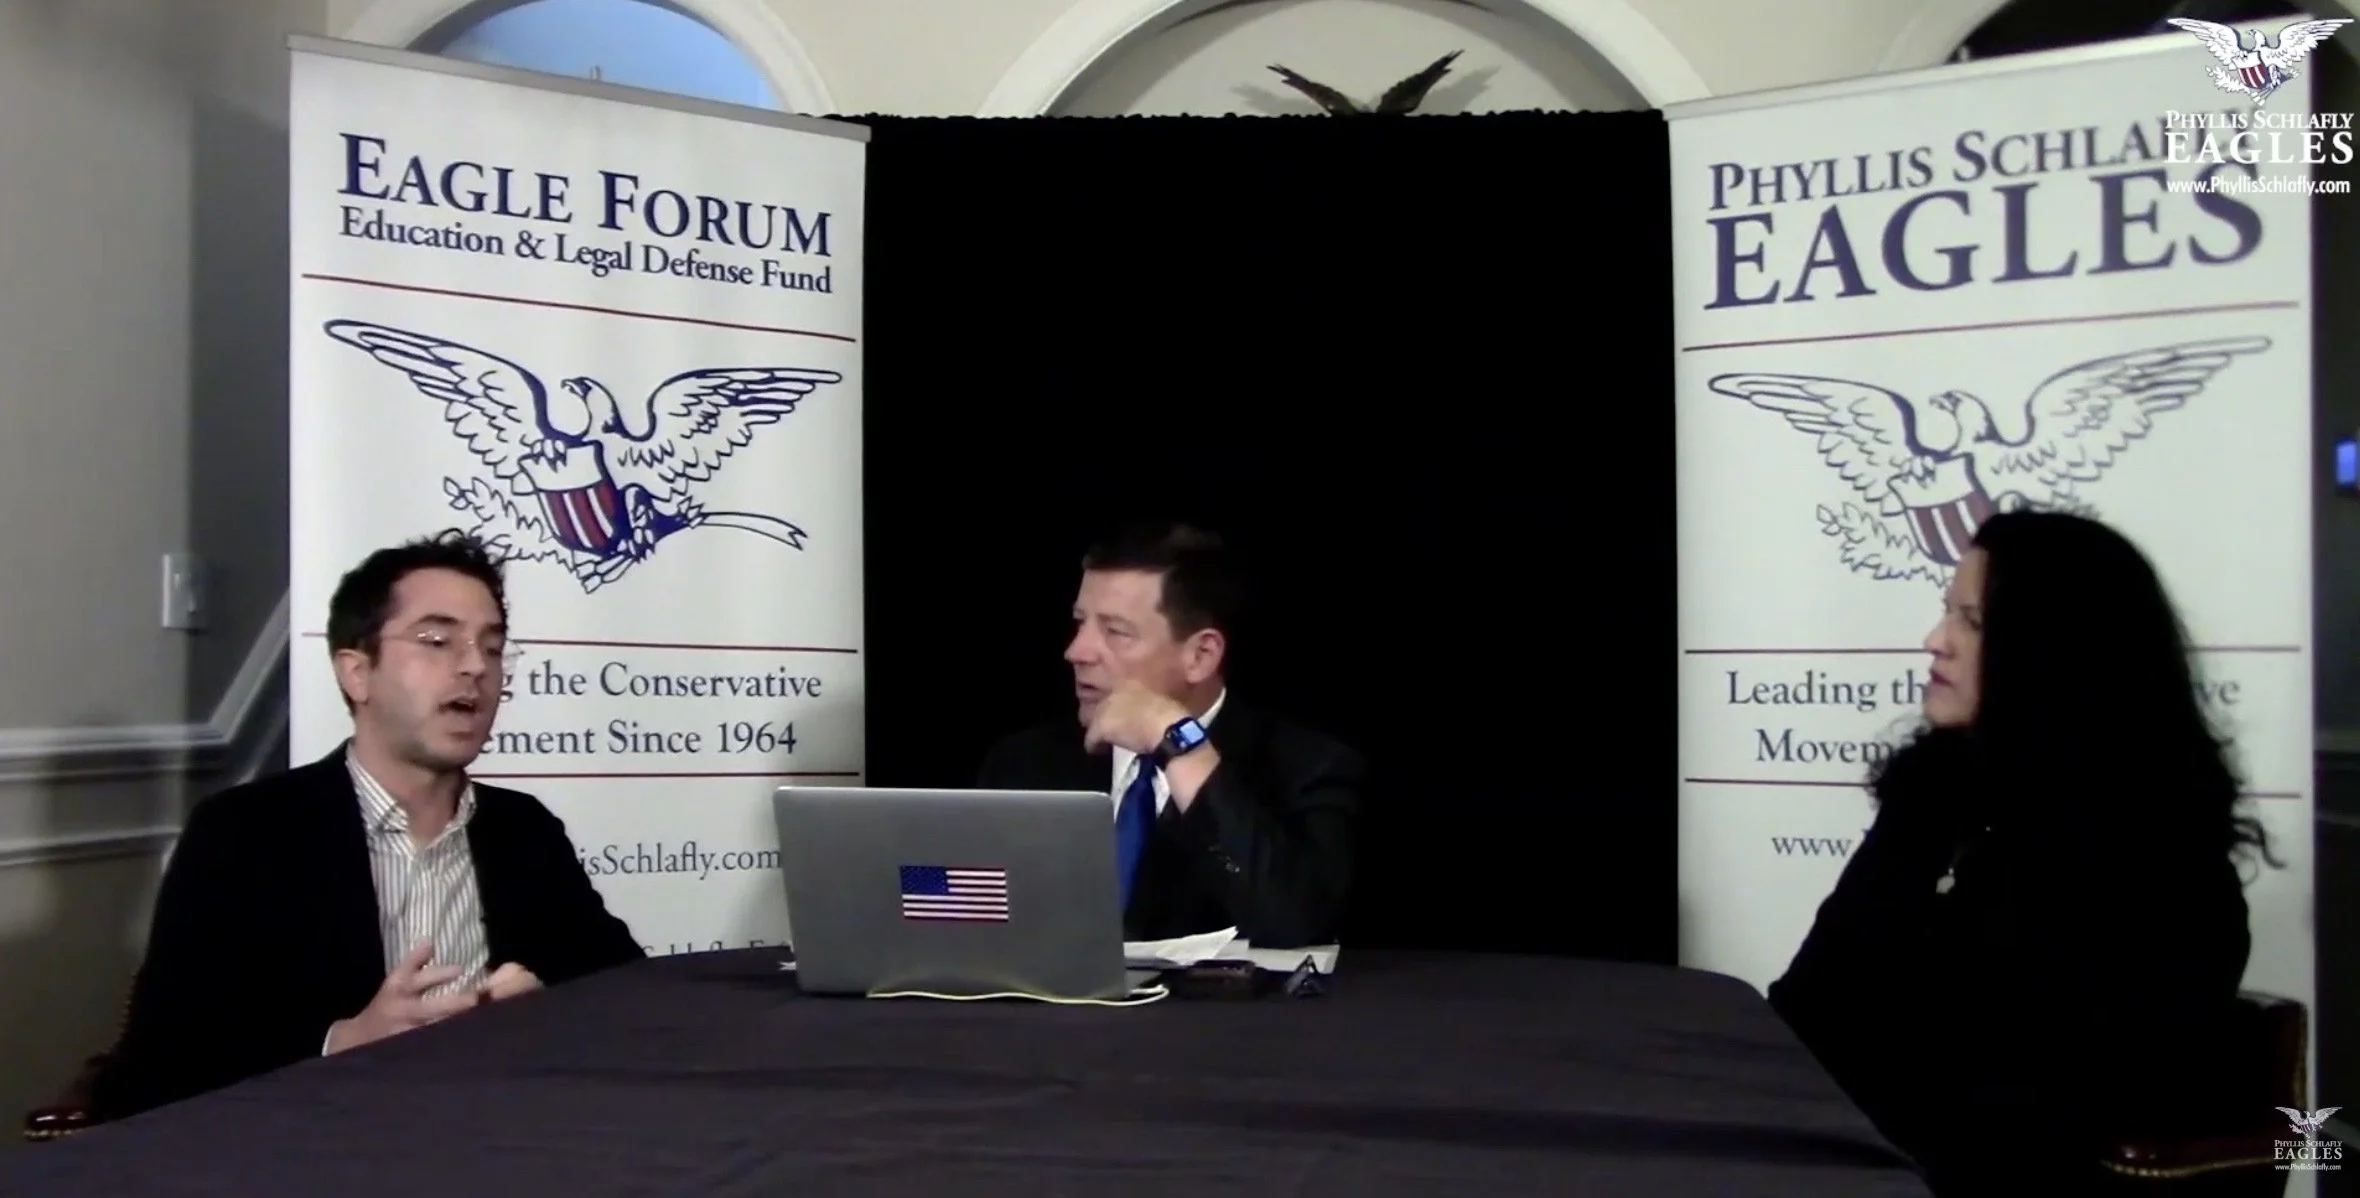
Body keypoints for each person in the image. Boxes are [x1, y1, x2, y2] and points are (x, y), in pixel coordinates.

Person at [1765, 510, 2274, 1194]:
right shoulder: (1937, 797)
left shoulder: (2160, 875)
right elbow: (1808, 1008)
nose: (1934, 641)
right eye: (1947, 614)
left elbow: (2022, 1119)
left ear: (2050, 652)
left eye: (1970, 623)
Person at [91, 531, 644, 1120]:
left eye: (492, 646)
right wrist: (345, 1041)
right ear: (357, 673)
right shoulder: (245, 834)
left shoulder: (523, 830)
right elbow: (160, 1059)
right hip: (318, 1150)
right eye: (437, 640)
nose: (475, 666)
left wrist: (548, 1012)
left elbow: (626, 994)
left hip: (507, 1139)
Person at [977, 523, 1363, 948]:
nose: (1077, 652)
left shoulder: (1306, 768)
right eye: (1080, 623)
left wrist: (1180, 744)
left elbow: (1294, 924)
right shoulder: (1024, 765)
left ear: (1200, 656)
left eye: (1115, 632)